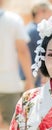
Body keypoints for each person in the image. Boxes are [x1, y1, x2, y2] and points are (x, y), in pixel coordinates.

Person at [0, 0, 34, 129]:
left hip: (9, 83)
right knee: (11, 125)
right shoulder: (13, 20)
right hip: (8, 83)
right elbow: (23, 51)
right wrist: (29, 79)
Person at [19, 2, 52, 87]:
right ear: (40, 12)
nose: (51, 15)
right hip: (32, 80)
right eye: (49, 11)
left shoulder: (29, 27)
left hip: (26, 77)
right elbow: (42, 56)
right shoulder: (37, 31)